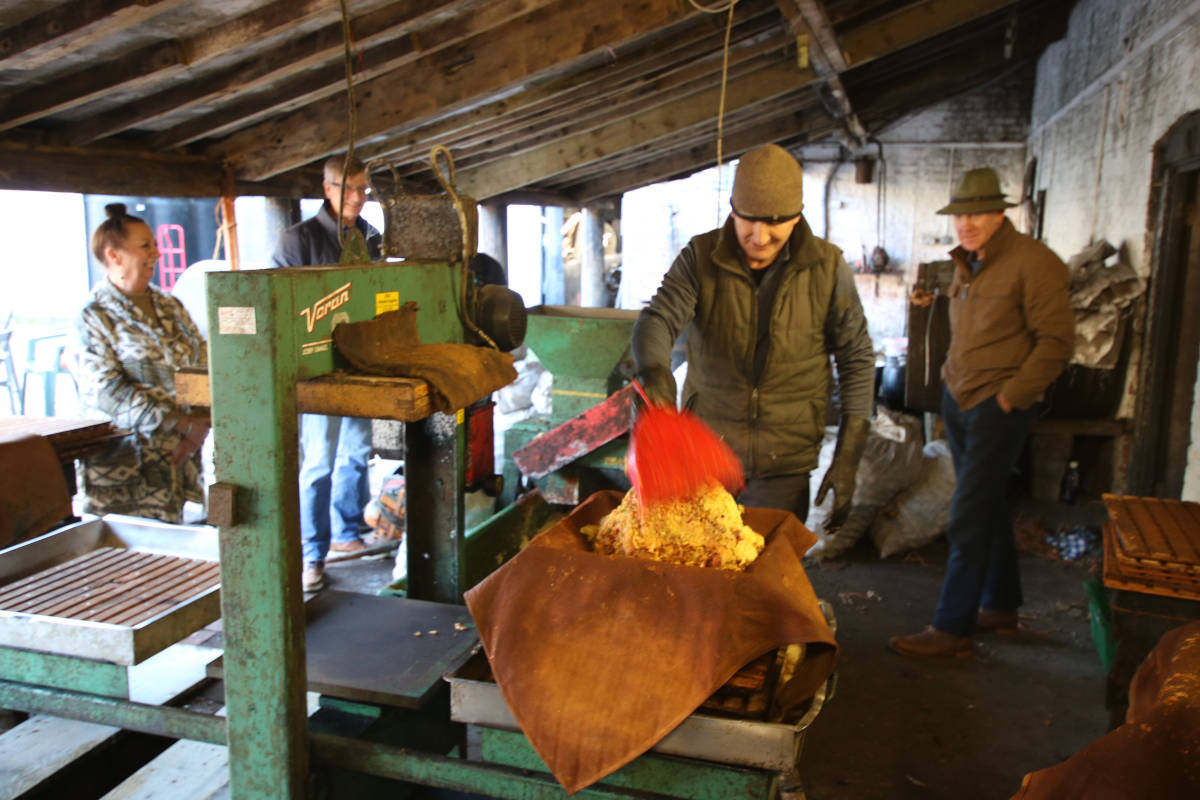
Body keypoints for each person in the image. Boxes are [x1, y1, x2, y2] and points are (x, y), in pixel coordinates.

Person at [631, 143, 875, 526]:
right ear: (733, 210)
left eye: (774, 222)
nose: (759, 237)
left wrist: (848, 457)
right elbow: (658, 319)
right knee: (701, 572)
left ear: (797, 218)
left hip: (784, 465)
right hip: (707, 456)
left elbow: (856, 358)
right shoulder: (701, 257)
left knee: (767, 577)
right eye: (748, 220)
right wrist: (654, 371)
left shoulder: (827, 268)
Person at [890, 167, 1074, 658]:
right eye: (959, 215)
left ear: (999, 213)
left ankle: (952, 627)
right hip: (963, 397)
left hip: (998, 405)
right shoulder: (970, 261)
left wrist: (1012, 396)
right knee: (987, 504)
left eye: (976, 213)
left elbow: (1056, 343)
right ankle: (1001, 607)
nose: (966, 223)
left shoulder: (1034, 263)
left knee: (968, 512)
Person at [271, 155, 382, 593]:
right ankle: (312, 554)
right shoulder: (297, 241)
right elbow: (283, 310)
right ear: (326, 187)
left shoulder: (371, 238)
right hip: (316, 373)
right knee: (317, 462)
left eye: (362, 189)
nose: (356, 198)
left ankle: (347, 533)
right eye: (347, 188)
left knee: (355, 453)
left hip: (358, 365)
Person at [73, 203, 209, 523]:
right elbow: (106, 390)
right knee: (118, 567)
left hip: (177, 460)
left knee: (171, 560)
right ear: (114, 256)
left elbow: (202, 362)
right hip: (124, 468)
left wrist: (199, 425)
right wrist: (180, 423)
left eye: (155, 245)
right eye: (145, 246)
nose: (156, 253)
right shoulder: (94, 314)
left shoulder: (170, 305)